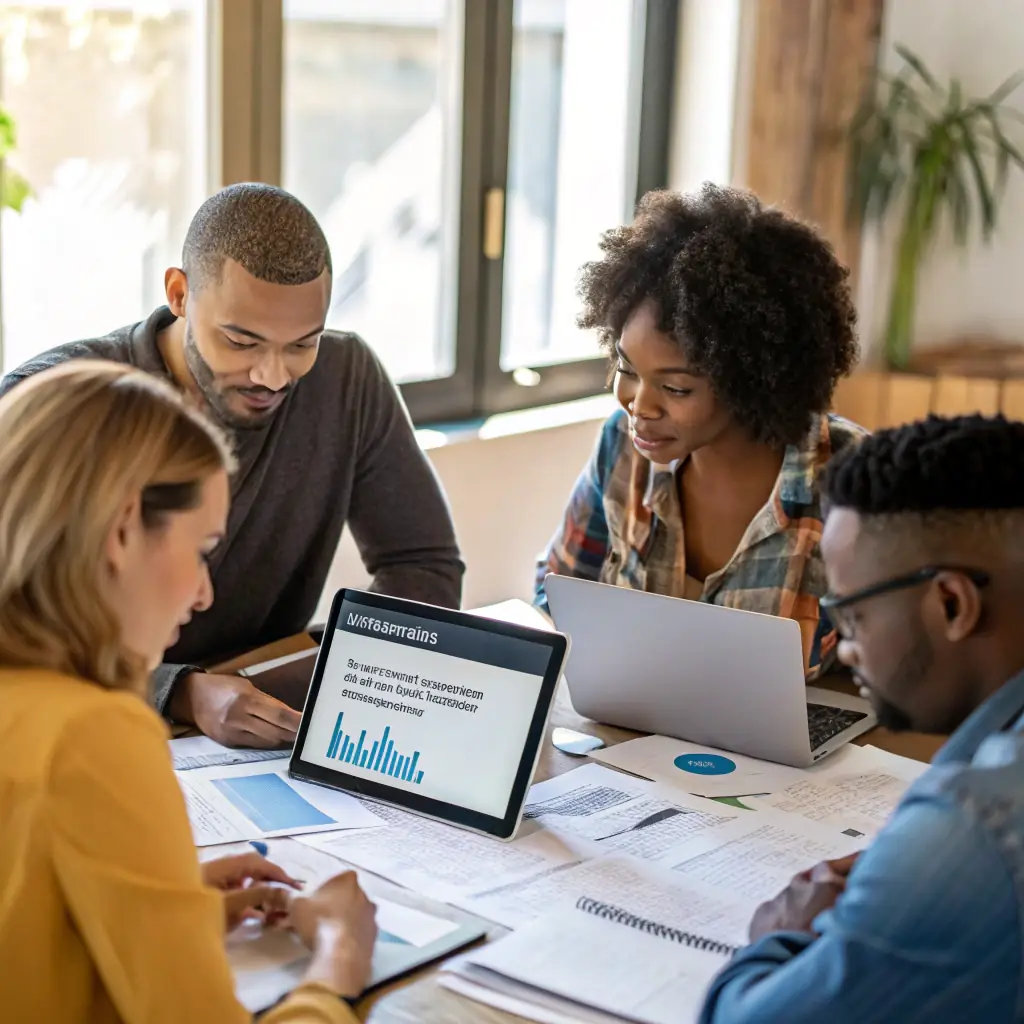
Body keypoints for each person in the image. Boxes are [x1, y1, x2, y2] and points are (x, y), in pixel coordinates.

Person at [0, 182, 463, 748]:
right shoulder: (58, 403)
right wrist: (179, 691)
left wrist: (324, 669)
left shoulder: (347, 379)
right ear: (179, 293)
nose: (273, 375)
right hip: (83, 735)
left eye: (301, 344)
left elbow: (424, 565)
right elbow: (14, 633)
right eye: (241, 341)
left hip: (263, 739)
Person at [0, 361, 378, 1022]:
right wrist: (339, 959)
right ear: (122, 530)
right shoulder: (92, 737)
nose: (204, 594)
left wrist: (167, 905)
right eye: (201, 548)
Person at [699, 414, 1024, 1023]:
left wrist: (780, 935)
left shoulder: (975, 828)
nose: (846, 648)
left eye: (851, 617)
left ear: (952, 604)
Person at [536, 184, 863, 674]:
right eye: (627, 370)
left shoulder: (852, 478)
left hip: (785, 750)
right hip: (627, 731)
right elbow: (556, 589)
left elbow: (894, 681)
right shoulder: (620, 447)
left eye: (676, 389)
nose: (638, 406)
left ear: (749, 377)